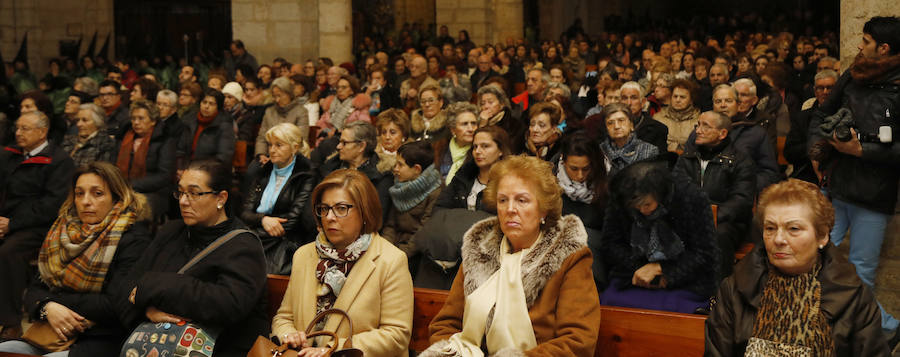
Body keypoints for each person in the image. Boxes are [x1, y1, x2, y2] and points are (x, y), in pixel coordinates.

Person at [422, 155, 602, 356]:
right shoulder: (479, 251)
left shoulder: (568, 257)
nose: (510, 209)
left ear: (543, 209)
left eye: (522, 200)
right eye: (502, 200)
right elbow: (445, 324)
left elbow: (578, 341)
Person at [704, 179, 891, 356]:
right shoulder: (735, 288)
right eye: (770, 228)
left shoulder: (854, 296)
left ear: (822, 236)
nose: (778, 239)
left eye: (793, 229)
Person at [0, 162, 152, 356]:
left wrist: (54, 302)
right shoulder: (61, 231)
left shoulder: (133, 238)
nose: (86, 201)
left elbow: (114, 305)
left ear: (117, 197)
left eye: (97, 193)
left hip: (102, 339)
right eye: (79, 194)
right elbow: (33, 291)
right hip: (50, 335)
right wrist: (47, 307)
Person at [807, 16, 900, 334]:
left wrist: (863, 151)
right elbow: (822, 110)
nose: (859, 46)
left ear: (884, 48)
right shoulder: (854, 73)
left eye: (866, 40)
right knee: (811, 255)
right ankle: (884, 327)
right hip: (836, 182)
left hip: (874, 193)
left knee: (861, 271)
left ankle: (880, 330)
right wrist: (818, 148)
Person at [123, 159, 268, 357]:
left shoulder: (243, 245)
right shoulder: (171, 232)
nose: (183, 201)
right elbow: (126, 288)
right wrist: (147, 311)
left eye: (194, 193)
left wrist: (154, 286)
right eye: (181, 192)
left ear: (221, 198)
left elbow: (229, 304)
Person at [271, 169, 413, 357]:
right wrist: (288, 335)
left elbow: (396, 334)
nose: (329, 217)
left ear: (364, 211)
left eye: (341, 208)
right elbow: (284, 317)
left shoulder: (390, 260)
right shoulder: (304, 255)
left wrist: (333, 349)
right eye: (324, 208)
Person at [599, 161, 719, 313]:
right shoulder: (622, 197)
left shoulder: (691, 197)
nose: (642, 210)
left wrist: (663, 270)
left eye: (647, 204)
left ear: (659, 194)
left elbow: (705, 254)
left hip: (685, 280)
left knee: (677, 312)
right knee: (610, 303)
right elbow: (610, 244)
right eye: (636, 206)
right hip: (633, 276)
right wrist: (641, 270)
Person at [0, 111, 75, 339]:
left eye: (25, 129)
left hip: (39, 226)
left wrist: (12, 224)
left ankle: (11, 322)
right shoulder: (8, 155)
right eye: (17, 128)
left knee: (8, 252)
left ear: (42, 132)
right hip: (5, 221)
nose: (18, 133)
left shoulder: (59, 160)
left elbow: (52, 205)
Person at [674, 111, 756, 279]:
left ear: (722, 133)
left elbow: (742, 200)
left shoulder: (741, 160)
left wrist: (713, 215)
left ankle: (717, 291)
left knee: (719, 234)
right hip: (690, 216)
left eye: (705, 126)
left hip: (726, 221)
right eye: (698, 125)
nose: (698, 130)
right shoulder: (687, 157)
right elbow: (677, 188)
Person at [241, 123, 317, 275]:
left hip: (286, 241)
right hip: (258, 233)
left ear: (294, 148)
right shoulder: (263, 170)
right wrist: (263, 220)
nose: (272, 150)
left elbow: (292, 221)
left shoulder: (307, 174)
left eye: (279, 145)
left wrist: (254, 231)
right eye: (270, 145)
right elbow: (245, 212)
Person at [114, 99, 177, 218]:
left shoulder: (164, 140)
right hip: (122, 188)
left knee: (131, 208)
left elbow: (165, 176)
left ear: (153, 121)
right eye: (133, 118)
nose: (136, 122)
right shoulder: (124, 138)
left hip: (154, 192)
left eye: (141, 118)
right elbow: (112, 166)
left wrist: (131, 185)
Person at [319, 121, 393, 219]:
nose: (338, 147)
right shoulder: (331, 167)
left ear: (361, 146)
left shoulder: (381, 176)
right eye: (339, 142)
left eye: (344, 143)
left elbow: (376, 217)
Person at [382, 140, 443, 259]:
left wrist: (399, 256)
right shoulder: (399, 186)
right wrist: (385, 249)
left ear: (416, 169)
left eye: (400, 165)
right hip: (394, 247)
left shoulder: (436, 192)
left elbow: (423, 232)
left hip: (416, 254)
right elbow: (390, 225)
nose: (395, 169)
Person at [436, 125, 511, 211]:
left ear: (501, 150)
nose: (477, 151)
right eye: (475, 147)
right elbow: (440, 207)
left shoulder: (508, 181)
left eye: (485, 146)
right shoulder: (464, 175)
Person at [255, 77, 309, 165]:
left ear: (289, 94)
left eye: (280, 95)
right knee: (253, 171)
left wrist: (279, 156)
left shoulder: (301, 112)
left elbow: (301, 140)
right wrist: (261, 155)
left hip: (290, 157)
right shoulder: (269, 111)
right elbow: (261, 138)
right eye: (274, 96)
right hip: (269, 155)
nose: (277, 100)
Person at [599, 103, 658, 175]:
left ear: (631, 125)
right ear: (606, 129)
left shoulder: (649, 151)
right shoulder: (599, 151)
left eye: (621, 120)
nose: (616, 126)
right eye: (610, 123)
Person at [183, 88, 235, 166]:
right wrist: (180, 168)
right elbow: (180, 150)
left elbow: (223, 158)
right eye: (204, 102)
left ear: (218, 107)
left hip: (209, 170)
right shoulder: (190, 120)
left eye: (211, 104)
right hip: (186, 167)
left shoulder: (225, 126)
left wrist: (198, 171)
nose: (206, 106)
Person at [435, 102, 478, 185]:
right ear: (453, 130)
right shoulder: (440, 148)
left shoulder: (479, 152)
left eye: (473, 123)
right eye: (464, 124)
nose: (470, 129)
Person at [619, 81, 669, 152]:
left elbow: (660, 161)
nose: (629, 103)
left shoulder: (657, 129)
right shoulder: (610, 127)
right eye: (624, 98)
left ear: (643, 102)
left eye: (634, 98)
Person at [654, 79, 700, 153]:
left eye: (682, 97)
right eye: (675, 96)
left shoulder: (699, 121)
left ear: (691, 100)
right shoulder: (658, 118)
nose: (678, 100)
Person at [477, 84, 525, 153]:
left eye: (490, 102)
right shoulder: (478, 121)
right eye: (482, 103)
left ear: (502, 104)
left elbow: (509, 149)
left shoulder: (514, 125)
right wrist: (482, 124)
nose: (486, 106)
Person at [373, 108, 411, 175]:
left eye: (392, 132)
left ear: (403, 135)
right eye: (383, 132)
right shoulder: (372, 156)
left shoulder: (410, 156)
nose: (387, 137)